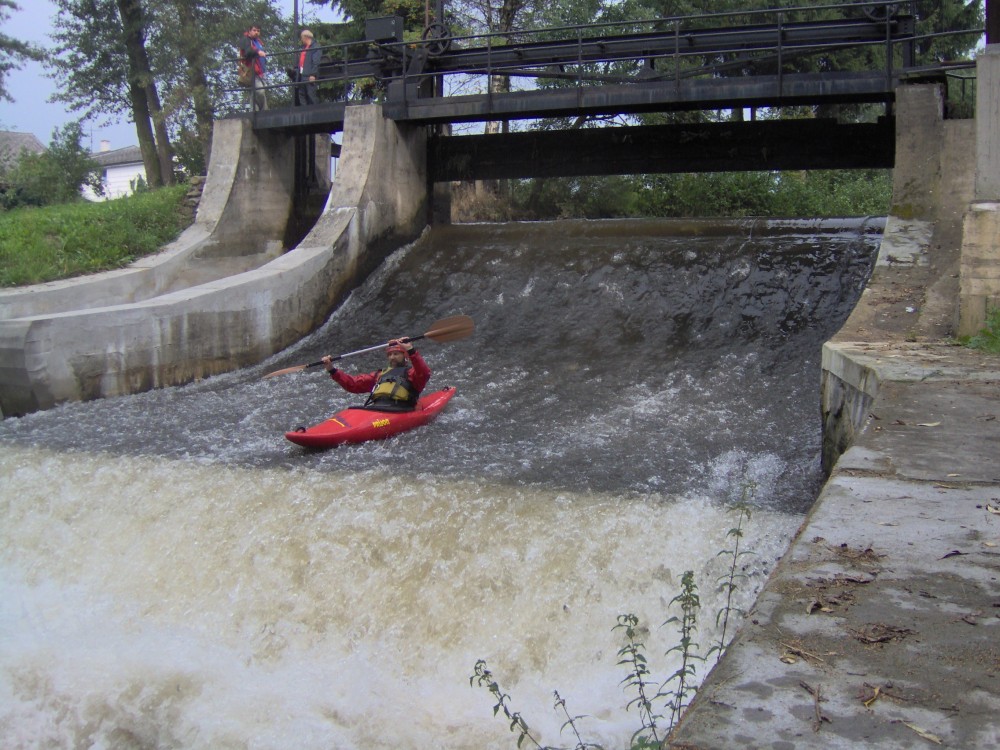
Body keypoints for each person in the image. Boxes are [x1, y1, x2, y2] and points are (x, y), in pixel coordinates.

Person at [322, 339, 431, 411]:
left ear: (405, 356)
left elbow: (424, 372)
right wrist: (332, 370)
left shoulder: (412, 374)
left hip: (400, 410)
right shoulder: (379, 375)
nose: (392, 357)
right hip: (377, 409)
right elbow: (353, 384)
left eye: (396, 354)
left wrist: (411, 350)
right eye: (390, 355)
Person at [239, 24, 267, 111]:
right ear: (249, 31)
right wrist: (258, 52)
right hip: (251, 71)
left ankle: (256, 111)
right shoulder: (246, 39)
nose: (256, 32)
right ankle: (263, 111)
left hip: (261, 71)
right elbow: (247, 52)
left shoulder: (258, 42)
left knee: (254, 93)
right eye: (254, 30)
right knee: (260, 91)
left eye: (258, 31)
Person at [295, 29, 321, 107]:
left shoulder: (315, 47)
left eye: (302, 37)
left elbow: (316, 61)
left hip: (309, 75)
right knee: (301, 94)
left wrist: (313, 74)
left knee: (311, 94)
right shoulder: (304, 48)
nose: (301, 39)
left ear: (305, 37)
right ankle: (304, 111)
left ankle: (315, 110)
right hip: (302, 74)